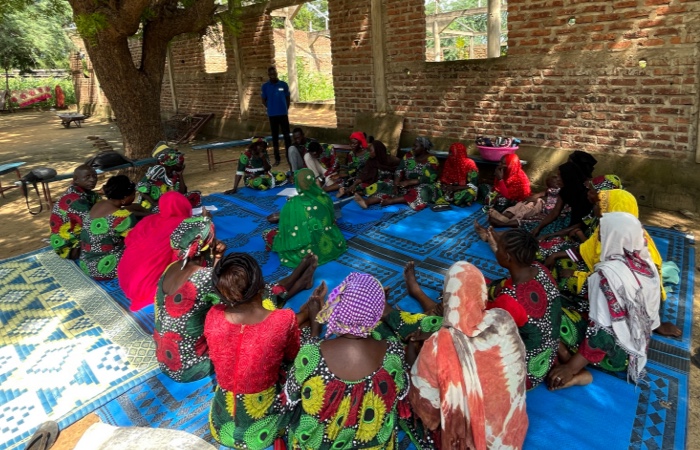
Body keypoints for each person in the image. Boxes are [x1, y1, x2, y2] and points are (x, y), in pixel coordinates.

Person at [284, 273, 420, 449]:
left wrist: (315, 330)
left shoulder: (312, 352)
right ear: (378, 314)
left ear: (339, 308)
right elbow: (402, 395)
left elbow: (291, 397)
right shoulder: (393, 352)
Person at [409, 261, 528, 449]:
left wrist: (413, 350)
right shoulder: (502, 320)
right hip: (509, 434)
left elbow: (427, 407)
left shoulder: (437, 346)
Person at [204, 253, 316, 449]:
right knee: (306, 340)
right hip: (261, 429)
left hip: (222, 424)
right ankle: (311, 312)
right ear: (261, 285)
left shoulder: (213, 314)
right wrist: (311, 324)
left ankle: (306, 305)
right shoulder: (282, 319)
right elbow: (292, 356)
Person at [547, 212, 661, 389]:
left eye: (602, 233)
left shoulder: (609, 275)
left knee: (547, 312)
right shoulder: (646, 264)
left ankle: (573, 367)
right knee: (560, 300)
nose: (599, 237)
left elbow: (603, 335)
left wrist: (570, 368)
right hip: (636, 346)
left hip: (613, 355)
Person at [487, 229, 563, 389]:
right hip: (549, 356)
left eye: (498, 249)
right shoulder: (541, 269)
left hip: (527, 373)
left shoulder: (509, 300)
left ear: (507, 257)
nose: (496, 251)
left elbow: (486, 330)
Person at [154, 216, 226, 382]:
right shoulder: (205, 277)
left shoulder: (171, 268)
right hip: (190, 367)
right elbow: (228, 306)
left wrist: (215, 259)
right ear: (208, 245)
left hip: (166, 359)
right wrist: (218, 260)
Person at [118, 192, 193, 311]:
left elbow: (129, 240)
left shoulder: (149, 219)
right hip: (147, 287)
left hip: (125, 278)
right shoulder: (186, 225)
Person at [264, 168, 347, 268]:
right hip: (330, 245)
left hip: (306, 252)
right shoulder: (324, 197)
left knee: (267, 234)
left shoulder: (293, 203)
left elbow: (286, 228)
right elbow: (333, 219)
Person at [79, 175, 148, 280]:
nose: (135, 197)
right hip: (103, 269)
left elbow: (130, 209)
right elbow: (137, 241)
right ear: (124, 199)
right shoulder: (123, 217)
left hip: (86, 263)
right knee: (145, 246)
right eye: (134, 194)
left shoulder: (99, 204)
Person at [360, 137, 439, 211]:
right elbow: (399, 169)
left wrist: (409, 182)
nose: (413, 148)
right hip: (405, 185)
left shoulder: (432, 160)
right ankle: (367, 202)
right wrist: (396, 184)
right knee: (386, 183)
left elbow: (430, 178)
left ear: (424, 148)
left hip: (423, 185)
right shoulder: (409, 155)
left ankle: (391, 201)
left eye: (416, 146)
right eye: (413, 145)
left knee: (421, 190)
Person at [49, 164, 100, 259]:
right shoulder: (74, 200)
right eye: (87, 177)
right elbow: (92, 225)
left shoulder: (89, 194)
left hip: (79, 235)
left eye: (94, 176)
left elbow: (104, 208)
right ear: (76, 180)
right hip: (69, 246)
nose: (93, 179)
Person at [137, 142, 200, 211]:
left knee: (194, 196)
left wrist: (180, 174)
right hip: (151, 205)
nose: (181, 164)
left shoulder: (173, 172)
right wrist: (154, 203)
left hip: (166, 202)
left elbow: (182, 192)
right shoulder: (158, 170)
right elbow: (140, 188)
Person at [487, 172, 563, 228]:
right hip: (538, 202)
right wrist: (537, 196)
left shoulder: (562, 192)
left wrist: (537, 198)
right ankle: (504, 216)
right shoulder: (550, 190)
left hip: (543, 207)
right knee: (521, 204)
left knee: (528, 207)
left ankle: (507, 221)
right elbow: (542, 193)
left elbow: (507, 195)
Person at [346, 140, 401, 208]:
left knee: (384, 185)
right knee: (359, 185)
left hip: (388, 185)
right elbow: (364, 175)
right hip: (373, 182)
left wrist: (397, 184)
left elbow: (400, 173)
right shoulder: (371, 161)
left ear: (378, 151)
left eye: (371, 151)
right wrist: (354, 185)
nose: (369, 153)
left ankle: (367, 201)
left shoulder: (393, 160)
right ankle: (355, 192)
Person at [261, 66, 291, 166]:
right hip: (272, 115)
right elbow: (263, 100)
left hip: (283, 114)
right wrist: (270, 107)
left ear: (277, 73)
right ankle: (277, 158)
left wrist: (285, 108)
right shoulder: (265, 86)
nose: (273, 76)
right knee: (275, 137)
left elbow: (287, 98)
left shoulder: (283, 85)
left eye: (274, 73)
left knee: (287, 136)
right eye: (271, 74)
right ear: (268, 75)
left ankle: (289, 156)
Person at [437, 142, 479, 207]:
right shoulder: (448, 162)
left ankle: (463, 200)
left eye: (452, 153)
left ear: (459, 153)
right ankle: (463, 201)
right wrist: (444, 186)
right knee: (435, 188)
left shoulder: (470, 164)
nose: (450, 155)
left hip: (464, 188)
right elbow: (444, 179)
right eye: (450, 152)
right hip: (451, 188)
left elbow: (473, 185)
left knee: (468, 193)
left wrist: (455, 188)